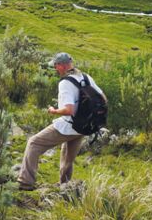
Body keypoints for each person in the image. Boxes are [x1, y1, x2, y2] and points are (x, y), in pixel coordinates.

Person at [17, 52, 106, 190]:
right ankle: (65, 186)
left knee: (33, 143)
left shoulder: (65, 83)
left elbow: (69, 110)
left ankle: (25, 182)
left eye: (55, 65)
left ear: (62, 65)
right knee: (67, 157)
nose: (54, 68)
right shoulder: (86, 77)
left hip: (69, 125)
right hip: (84, 126)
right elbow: (103, 99)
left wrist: (54, 111)